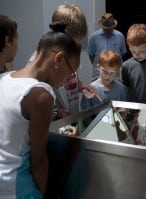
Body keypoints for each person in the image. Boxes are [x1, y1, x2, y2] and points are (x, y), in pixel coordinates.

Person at [0, 23, 81, 198]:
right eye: (71, 72)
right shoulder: (41, 95)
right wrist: (42, 194)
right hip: (17, 187)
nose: (68, 79)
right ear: (58, 59)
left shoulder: (4, 78)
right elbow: (38, 161)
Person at [88, 13, 127, 79]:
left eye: (110, 28)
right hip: (98, 74)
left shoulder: (120, 36)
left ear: (113, 26)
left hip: (116, 75)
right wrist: (101, 64)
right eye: (106, 29)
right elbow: (91, 55)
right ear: (102, 27)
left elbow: (122, 53)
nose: (108, 30)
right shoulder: (94, 37)